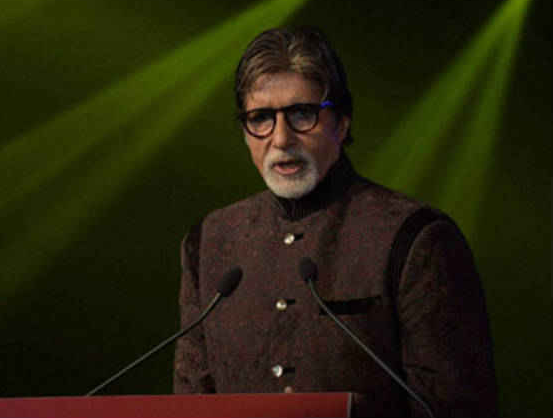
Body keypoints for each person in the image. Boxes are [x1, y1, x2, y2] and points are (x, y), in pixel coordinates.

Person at [173, 26, 498, 417]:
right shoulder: (210, 241)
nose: (281, 139)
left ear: (342, 124)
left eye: (302, 114)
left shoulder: (417, 237)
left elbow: (457, 408)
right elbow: (189, 404)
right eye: (260, 118)